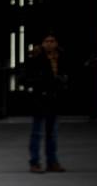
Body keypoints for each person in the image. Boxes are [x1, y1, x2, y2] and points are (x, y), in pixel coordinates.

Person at [24, 34, 67, 173]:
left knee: (52, 133)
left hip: (54, 99)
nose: (49, 44)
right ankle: (35, 162)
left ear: (56, 43)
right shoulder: (36, 57)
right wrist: (41, 82)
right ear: (42, 43)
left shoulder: (61, 57)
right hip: (40, 98)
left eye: (52, 41)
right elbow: (25, 78)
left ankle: (52, 162)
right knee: (37, 133)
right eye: (46, 41)